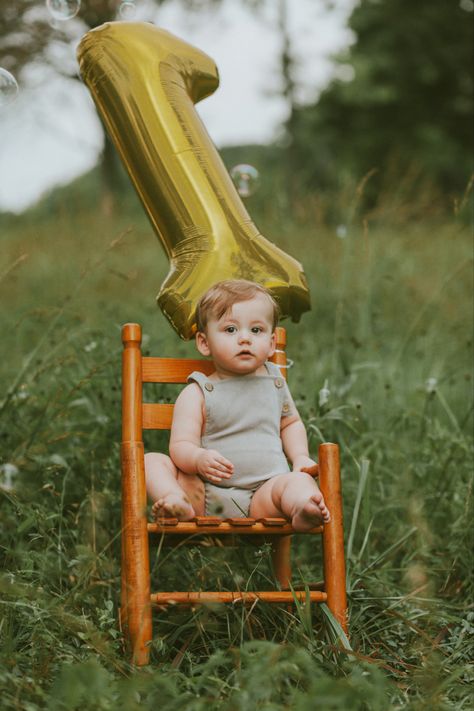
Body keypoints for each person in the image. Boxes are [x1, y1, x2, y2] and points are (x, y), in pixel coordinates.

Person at [145, 279, 330, 532]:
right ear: (204, 342)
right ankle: (177, 501)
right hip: (205, 494)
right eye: (231, 330)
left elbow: (291, 423)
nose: (245, 339)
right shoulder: (197, 392)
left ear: (272, 343)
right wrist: (198, 459)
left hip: (263, 493)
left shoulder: (274, 382)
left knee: (297, 481)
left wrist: (299, 457)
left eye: (256, 330)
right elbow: (180, 446)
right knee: (151, 461)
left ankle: (303, 508)